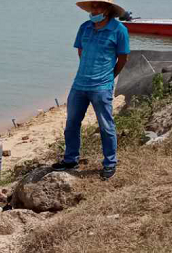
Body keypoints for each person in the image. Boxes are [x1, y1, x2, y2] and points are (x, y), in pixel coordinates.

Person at [52, 0, 130, 180]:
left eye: (98, 6)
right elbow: (81, 52)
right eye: (92, 6)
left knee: (106, 125)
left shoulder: (119, 30)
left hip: (102, 86)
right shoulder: (85, 27)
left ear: (108, 9)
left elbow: (123, 58)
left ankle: (110, 163)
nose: (95, 9)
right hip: (79, 84)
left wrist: (109, 77)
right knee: (71, 123)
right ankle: (70, 159)